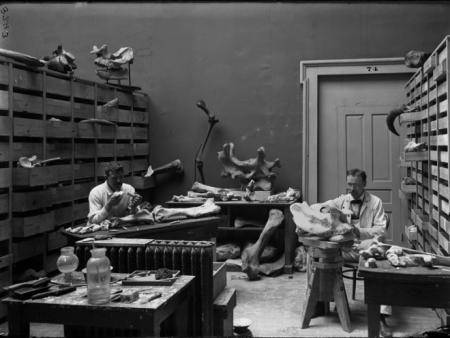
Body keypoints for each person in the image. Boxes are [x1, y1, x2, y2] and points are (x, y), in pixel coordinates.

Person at [311, 168, 392, 337]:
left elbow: (381, 230)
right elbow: (321, 206)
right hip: (346, 248)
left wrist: (358, 231)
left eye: (356, 185)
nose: (352, 189)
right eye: (349, 184)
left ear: (364, 184)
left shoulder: (375, 202)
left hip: (367, 247)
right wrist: (323, 210)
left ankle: (381, 316)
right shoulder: (343, 200)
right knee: (316, 254)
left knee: (381, 264)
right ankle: (320, 301)